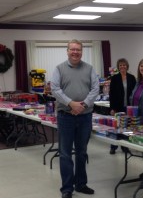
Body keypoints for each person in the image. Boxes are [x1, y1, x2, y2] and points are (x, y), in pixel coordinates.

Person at [51, 39, 99, 198]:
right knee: (65, 153)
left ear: (81, 51)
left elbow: (95, 89)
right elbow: (55, 89)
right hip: (66, 117)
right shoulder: (59, 69)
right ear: (67, 51)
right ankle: (67, 188)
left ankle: (81, 184)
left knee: (82, 152)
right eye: (72, 49)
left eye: (78, 49)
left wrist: (83, 105)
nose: (75, 52)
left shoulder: (90, 69)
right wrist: (71, 103)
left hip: (85, 116)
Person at [109, 58, 136, 154]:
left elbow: (134, 93)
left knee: (126, 127)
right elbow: (111, 94)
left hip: (128, 107)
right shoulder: (114, 78)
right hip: (117, 106)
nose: (122, 67)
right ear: (118, 67)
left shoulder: (132, 78)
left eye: (124, 65)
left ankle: (125, 146)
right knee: (116, 127)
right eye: (120, 65)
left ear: (127, 66)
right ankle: (113, 146)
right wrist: (112, 108)